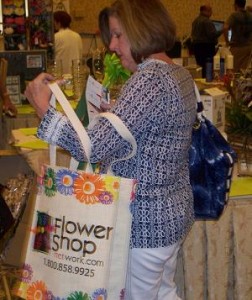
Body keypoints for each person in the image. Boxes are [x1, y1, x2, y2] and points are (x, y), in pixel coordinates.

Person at [25, 0, 196, 298]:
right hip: (169, 215)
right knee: (165, 294)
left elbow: (94, 147)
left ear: (142, 29)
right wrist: (115, 114)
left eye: (119, 35)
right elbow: (156, 134)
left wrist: (43, 109)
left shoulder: (149, 78)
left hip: (143, 223)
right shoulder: (176, 73)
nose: (113, 46)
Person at [191, 5, 223, 78]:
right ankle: (208, 82)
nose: (211, 13)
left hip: (196, 47)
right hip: (206, 47)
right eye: (210, 11)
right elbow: (212, 34)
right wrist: (223, 30)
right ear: (204, 11)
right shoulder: (207, 21)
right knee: (208, 68)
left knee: (200, 67)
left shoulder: (195, 21)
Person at [223, 0, 252, 72]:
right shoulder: (250, 15)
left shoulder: (234, 15)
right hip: (248, 46)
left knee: (233, 69)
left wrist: (227, 42)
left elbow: (225, 27)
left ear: (235, 5)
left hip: (237, 46)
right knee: (243, 70)